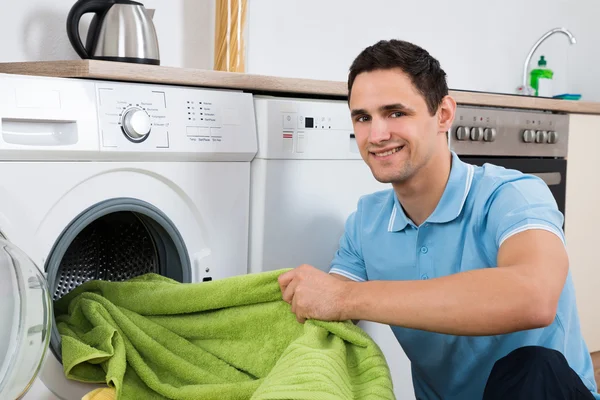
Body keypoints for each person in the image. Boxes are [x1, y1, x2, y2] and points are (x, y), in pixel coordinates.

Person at [277, 39, 600, 400]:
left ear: (444, 114)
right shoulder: (365, 224)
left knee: (533, 365)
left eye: (396, 113)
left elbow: (534, 298)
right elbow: (327, 311)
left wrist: (349, 297)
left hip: (544, 391)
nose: (377, 134)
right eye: (363, 117)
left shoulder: (513, 195)